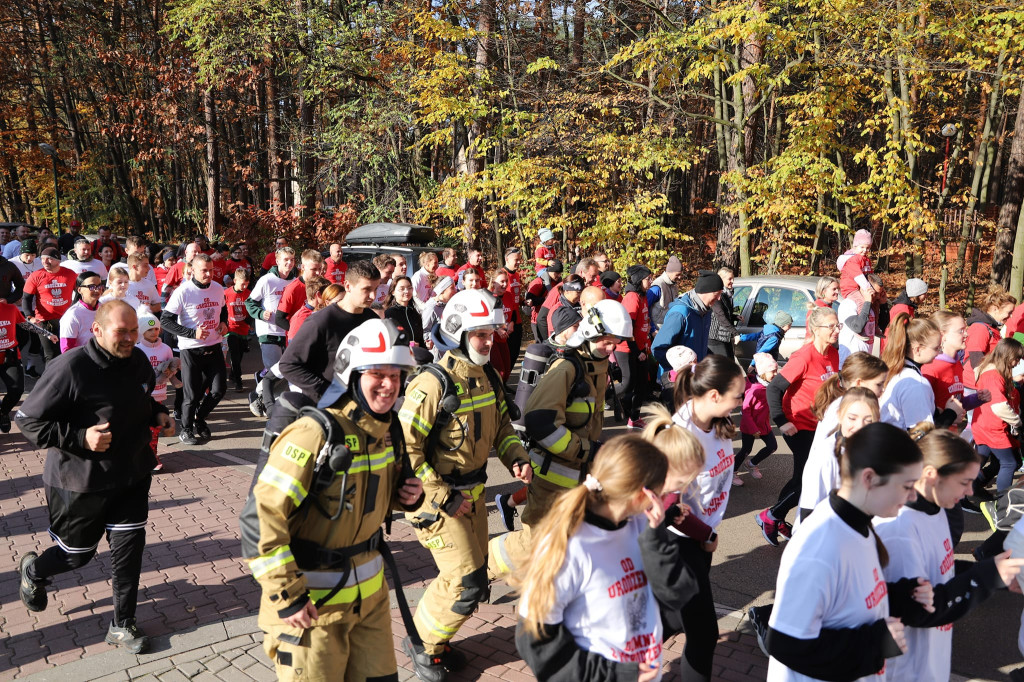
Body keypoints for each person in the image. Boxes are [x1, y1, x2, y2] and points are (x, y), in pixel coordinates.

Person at [247, 318, 424, 681]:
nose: (390, 384)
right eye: (378, 373)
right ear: (352, 375)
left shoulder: (388, 431)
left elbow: (362, 500)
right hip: (312, 608)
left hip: (370, 602)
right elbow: (260, 518)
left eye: (396, 374)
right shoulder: (313, 433)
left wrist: (406, 498)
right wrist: (287, 597)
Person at [15, 300, 174, 654]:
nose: (131, 338)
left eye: (135, 330)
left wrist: (159, 414)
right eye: (122, 331)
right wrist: (80, 437)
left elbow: (143, 398)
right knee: (76, 556)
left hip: (132, 473)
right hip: (80, 481)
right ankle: (34, 571)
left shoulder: (137, 360)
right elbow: (27, 420)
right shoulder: (70, 368)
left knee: (129, 550)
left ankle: (122, 624)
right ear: (97, 330)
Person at [400, 289, 532, 682]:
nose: (490, 342)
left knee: (468, 576)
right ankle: (424, 647)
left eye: (492, 333)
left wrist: (516, 458)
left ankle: (433, 641)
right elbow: (406, 450)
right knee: (465, 581)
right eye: (481, 335)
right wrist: (444, 496)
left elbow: (503, 427)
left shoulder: (488, 375)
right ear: (458, 332)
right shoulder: (432, 384)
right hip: (436, 500)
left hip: (471, 496)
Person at [763, 422, 932, 681]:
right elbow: (785, 644)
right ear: (869, 478)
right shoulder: (820, 547)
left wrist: (902, 594)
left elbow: (851, 599)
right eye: (907, 485)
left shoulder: (859, 524)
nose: (912, 497)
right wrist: (876, 643)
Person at [489, 300, 631, 578]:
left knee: (567, 548)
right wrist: (587, 451)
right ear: (590, 333)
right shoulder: (567, 368)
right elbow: (541, 424)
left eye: (616, 342)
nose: (612, 348)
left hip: (578, 479)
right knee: (534, 545)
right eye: (606, 341)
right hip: (550, 479)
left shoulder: (597, 368)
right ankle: (482, 567)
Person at [876, 426, 1024, 682]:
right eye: (964, 482)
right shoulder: (900, 529)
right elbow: (919, 609)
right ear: (932, 475)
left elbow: (939, 571)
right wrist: (985, 577)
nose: (970, 493)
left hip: (931, 661)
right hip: (905, 669)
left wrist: (997, 575)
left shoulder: (936, 510)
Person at [514, 434, 667, 682]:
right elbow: (536, 644)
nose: (663, 501)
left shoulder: (641, 525)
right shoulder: (570, 545)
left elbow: (672, 597)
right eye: (661, 493)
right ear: (643, 496)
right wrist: (619, 674)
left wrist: (658, 537)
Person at [669, 353, 744, 682]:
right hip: (679, 543)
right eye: (737, 396)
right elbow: (666, 504)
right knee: (704, 633)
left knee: (673, 618)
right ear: (714, 395)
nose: (741, 401)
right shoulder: (680, 435)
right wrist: (706, 535)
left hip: (701, 540)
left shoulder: (715, 422)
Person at [756, 306, 840, 546]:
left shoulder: (832, 354)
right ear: (816, 329)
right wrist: (782, 421)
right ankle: (770, 516)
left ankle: (776, 517)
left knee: (801, 479)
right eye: (831, 326)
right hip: (798, 426)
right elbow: (773, 388)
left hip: (820, 426)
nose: (836, 330)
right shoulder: (803, 356)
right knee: (807, 480)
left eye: (837, 325)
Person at [278, 259, 381, 402]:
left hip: (362, 406)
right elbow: (288, 365)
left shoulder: (373, 320)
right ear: (348, 286)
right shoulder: (320, 321)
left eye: (376, 289)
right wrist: (328, 393)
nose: (373, 296)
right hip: (327, 410)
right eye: (367, 289)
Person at [160, 253, 228, 445]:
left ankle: (200, 418)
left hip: (213, 346)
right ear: (193, 271)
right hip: (191, 350)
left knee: (218, 390)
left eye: (211, 270)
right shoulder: (183, 291)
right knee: (191, 394)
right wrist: (192, 333)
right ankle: (187, 429)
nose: (209, 274)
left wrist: (223, 323)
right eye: (204, 271)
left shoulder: (217, 288)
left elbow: (223, 308)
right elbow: (165, 321)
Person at [797, 387, 879, 527]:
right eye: (852, 418)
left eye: (869, 420)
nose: (859, 426)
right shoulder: (825, 456)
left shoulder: (871, 449)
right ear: (839, 415)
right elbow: (808, 511)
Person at [878, 315, 962, 430]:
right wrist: (951, 413)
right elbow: (921, 434)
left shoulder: (899, 371)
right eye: (936, 348)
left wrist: (936, 411)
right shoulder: (916, 383)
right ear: (918, 349)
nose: (939, 352)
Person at [922, 310, 990, 438]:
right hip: (933, 440)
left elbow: (957, 402)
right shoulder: (930, 368)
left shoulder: (957, 363)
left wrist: (977, 399)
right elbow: (921, 416)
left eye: (965, 329)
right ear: (943, 335)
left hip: (950, 436)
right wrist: (948, 416)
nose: (966, 334)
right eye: (961, 331)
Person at [971, 339, 1024, 497]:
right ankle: (1002, 504)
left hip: (987, 425)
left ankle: (975, 486)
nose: (1017, 363)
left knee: (995, 462)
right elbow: (999, 406)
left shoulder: (997, 372)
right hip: (991, 427)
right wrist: (1017, 421)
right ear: (1008, 357)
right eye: (1017, 358)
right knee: (1009, 463)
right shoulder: (992, 376)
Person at [0, 294, 55, 431]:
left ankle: (3, 412)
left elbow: (25, 325)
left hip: (9, 356)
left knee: (17, 390)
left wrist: (46, 333)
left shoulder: (10, 309)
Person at [651, 270, 723, 370]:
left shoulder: (705, 312)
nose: (719, 298)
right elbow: (658, 348)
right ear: (704, 291)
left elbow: (699, 344)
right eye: (716, 293)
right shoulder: (680, 313)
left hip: (695, 376)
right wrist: (678, 372)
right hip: (678, 379)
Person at [246, 247, 297, 375]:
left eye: (292, 260)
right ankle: (264, 389)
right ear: (277, 261)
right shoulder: (267, 280)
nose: (289, 263)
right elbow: (250, 302)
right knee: (275, 371)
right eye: (286, 260)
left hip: (287, 331)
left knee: (287, 370)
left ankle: (262, 376)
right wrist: (261, 313)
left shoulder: (295, 281)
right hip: (268, 331)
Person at [136, 307, 175, 471]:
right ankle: (145, 456)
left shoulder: (166, 348)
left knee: (155, 428)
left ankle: (152, 455)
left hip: (160, 394)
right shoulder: (137, 349)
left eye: (156, 329)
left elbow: (173, 368)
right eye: (149, 329)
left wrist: (171, 372)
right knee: (145, 428)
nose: (153, 332)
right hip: (143, 397)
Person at [22, 247, 76, 364]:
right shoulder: (36, 275)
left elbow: (81, 293)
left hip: (66, 320)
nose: (45, 262)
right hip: (45, 321)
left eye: (49, 259)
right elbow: (26, 298)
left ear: (58, 260)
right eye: (42, 259)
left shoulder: (70, 274)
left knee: (66, 352)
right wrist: (29, 317)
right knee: (50, 355)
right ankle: (50, 380)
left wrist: (75, 310)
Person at [615, 265, 653, 429]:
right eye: (647, 279)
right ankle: (600, 397)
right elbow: (627, 327)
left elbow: (642, 322)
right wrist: (637, 352)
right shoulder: (632, 297)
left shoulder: (642, 295)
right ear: (639, 280)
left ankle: (634, 418)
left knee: (642, 384)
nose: (650, 281)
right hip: (628, 349)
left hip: (641, 348)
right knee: (628, 383)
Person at [735, 352, 779, 485]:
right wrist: (753, 428)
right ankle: (732, 472)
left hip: (764, 424)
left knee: (772, 446)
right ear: (763, 373)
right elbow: (746, 411)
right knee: (746, 450)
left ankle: (752, 464)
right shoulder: (754, 390)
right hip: (750, 426)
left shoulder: (769, 385)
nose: (776, 374)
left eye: (776, 370)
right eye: (773, 371)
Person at [964, 287, 1017, 391]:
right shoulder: (980, 328)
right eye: (1009, 312)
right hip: (975, 386)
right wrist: (988, 385)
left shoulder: (992, 328)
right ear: (995, 309)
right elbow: (976, 359)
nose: (1010, 316)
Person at [59, 271, 104, 352]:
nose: (97, 290)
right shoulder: (72, 315)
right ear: (79, 290)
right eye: (92, 287)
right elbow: (67, 349)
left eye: (99, 286)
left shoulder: (104, 308)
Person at [224, 268, 252, 392]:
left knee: (240, 355)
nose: (244, 286)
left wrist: (249, 321)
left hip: (244, 329)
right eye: (242, 284)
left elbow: (253, 309)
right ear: (235, 281)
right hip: (231, 328)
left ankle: (232, 375)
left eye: (247, 284)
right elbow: (221, 309)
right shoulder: (227, 293)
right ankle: (238, 382)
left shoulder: (249, 293)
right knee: (234, 355)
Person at [277, 249, 323, 323]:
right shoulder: (293, 288)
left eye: (320, 268)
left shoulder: (323, 285)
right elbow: (279, 319)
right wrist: (298, 330)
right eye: (313, 269)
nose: (318, 273)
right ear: (303, 267)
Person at [707, 265, 742, 360]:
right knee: (723, 368)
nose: (732, 281)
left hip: (724, 337)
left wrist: (735, 317)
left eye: (733, 278)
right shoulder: (717, 295)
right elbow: (720, 316)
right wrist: (735, 333)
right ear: (721, 279)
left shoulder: (726, 294)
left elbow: (725, 312)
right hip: (715, 338)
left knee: (729, 365)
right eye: (730, 279)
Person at [525, 259, 563, 340]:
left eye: (560, 273)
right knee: (541, 346)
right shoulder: (538, 283)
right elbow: (528, 301)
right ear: (549, 271)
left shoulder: (558, 283)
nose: (559, 275)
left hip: (553, 320)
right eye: (556, 272)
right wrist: (545, 299)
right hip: (538, 320)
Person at [836, 228, 875, 305]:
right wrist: (868, 288)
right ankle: (863, 317)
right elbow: (859, 277)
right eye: (862, 247)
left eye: (867, 248)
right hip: (851, 289)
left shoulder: (866, 260)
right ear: (855, 246)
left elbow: (870, 276)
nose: (865, 250)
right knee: (861, 303)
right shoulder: (852, 260)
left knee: (875, 303)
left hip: (862, 288)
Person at [384, 275, 425, 347]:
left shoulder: (415, 314)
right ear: (393, 292)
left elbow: (420, 341)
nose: (406, 291)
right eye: (401, 289)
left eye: (409, 288)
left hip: (415, 356)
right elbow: (388, 341)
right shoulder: (389, 314)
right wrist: (409, 344)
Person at [287, 276, 330, 344]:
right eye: (327, 295)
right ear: (318, 295)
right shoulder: (300, 318)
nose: (329, 298)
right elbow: (295, 348)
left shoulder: (325, 312)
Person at [647, 256, 684, 331]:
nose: (680, 277)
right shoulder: (657, 287)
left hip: (668, 328)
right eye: (677, 274)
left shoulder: (674, 286)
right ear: (670, 272)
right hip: (657, 331)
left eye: (680, 274)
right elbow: (645, 309)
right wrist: (652, 330)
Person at [501, 247, 525, 361]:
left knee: (514, 354)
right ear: (507, 259)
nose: (519, 262)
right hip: (506, 321)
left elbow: (515, 296)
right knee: (506, 356)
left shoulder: (516, 275)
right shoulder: (502, 275)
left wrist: (523, 301)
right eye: (516, 259)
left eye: (520, 259)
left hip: (517, 319)